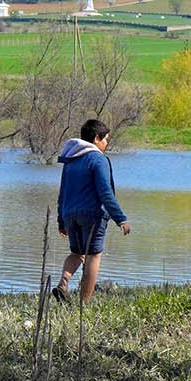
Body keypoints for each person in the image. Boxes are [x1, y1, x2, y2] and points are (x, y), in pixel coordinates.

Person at [53, 118, 130, 304]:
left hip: (70, 214)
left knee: (77, 253)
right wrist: (120, 219)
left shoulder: (70, 161)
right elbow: (105, 192)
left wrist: (61, 221)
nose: (107, 143)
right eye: (105, 139)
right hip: (93, 215)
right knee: (93, 256)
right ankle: (84, 303)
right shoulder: (98, 159)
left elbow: (62, 192)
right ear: (96, 138)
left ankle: (63, 284)